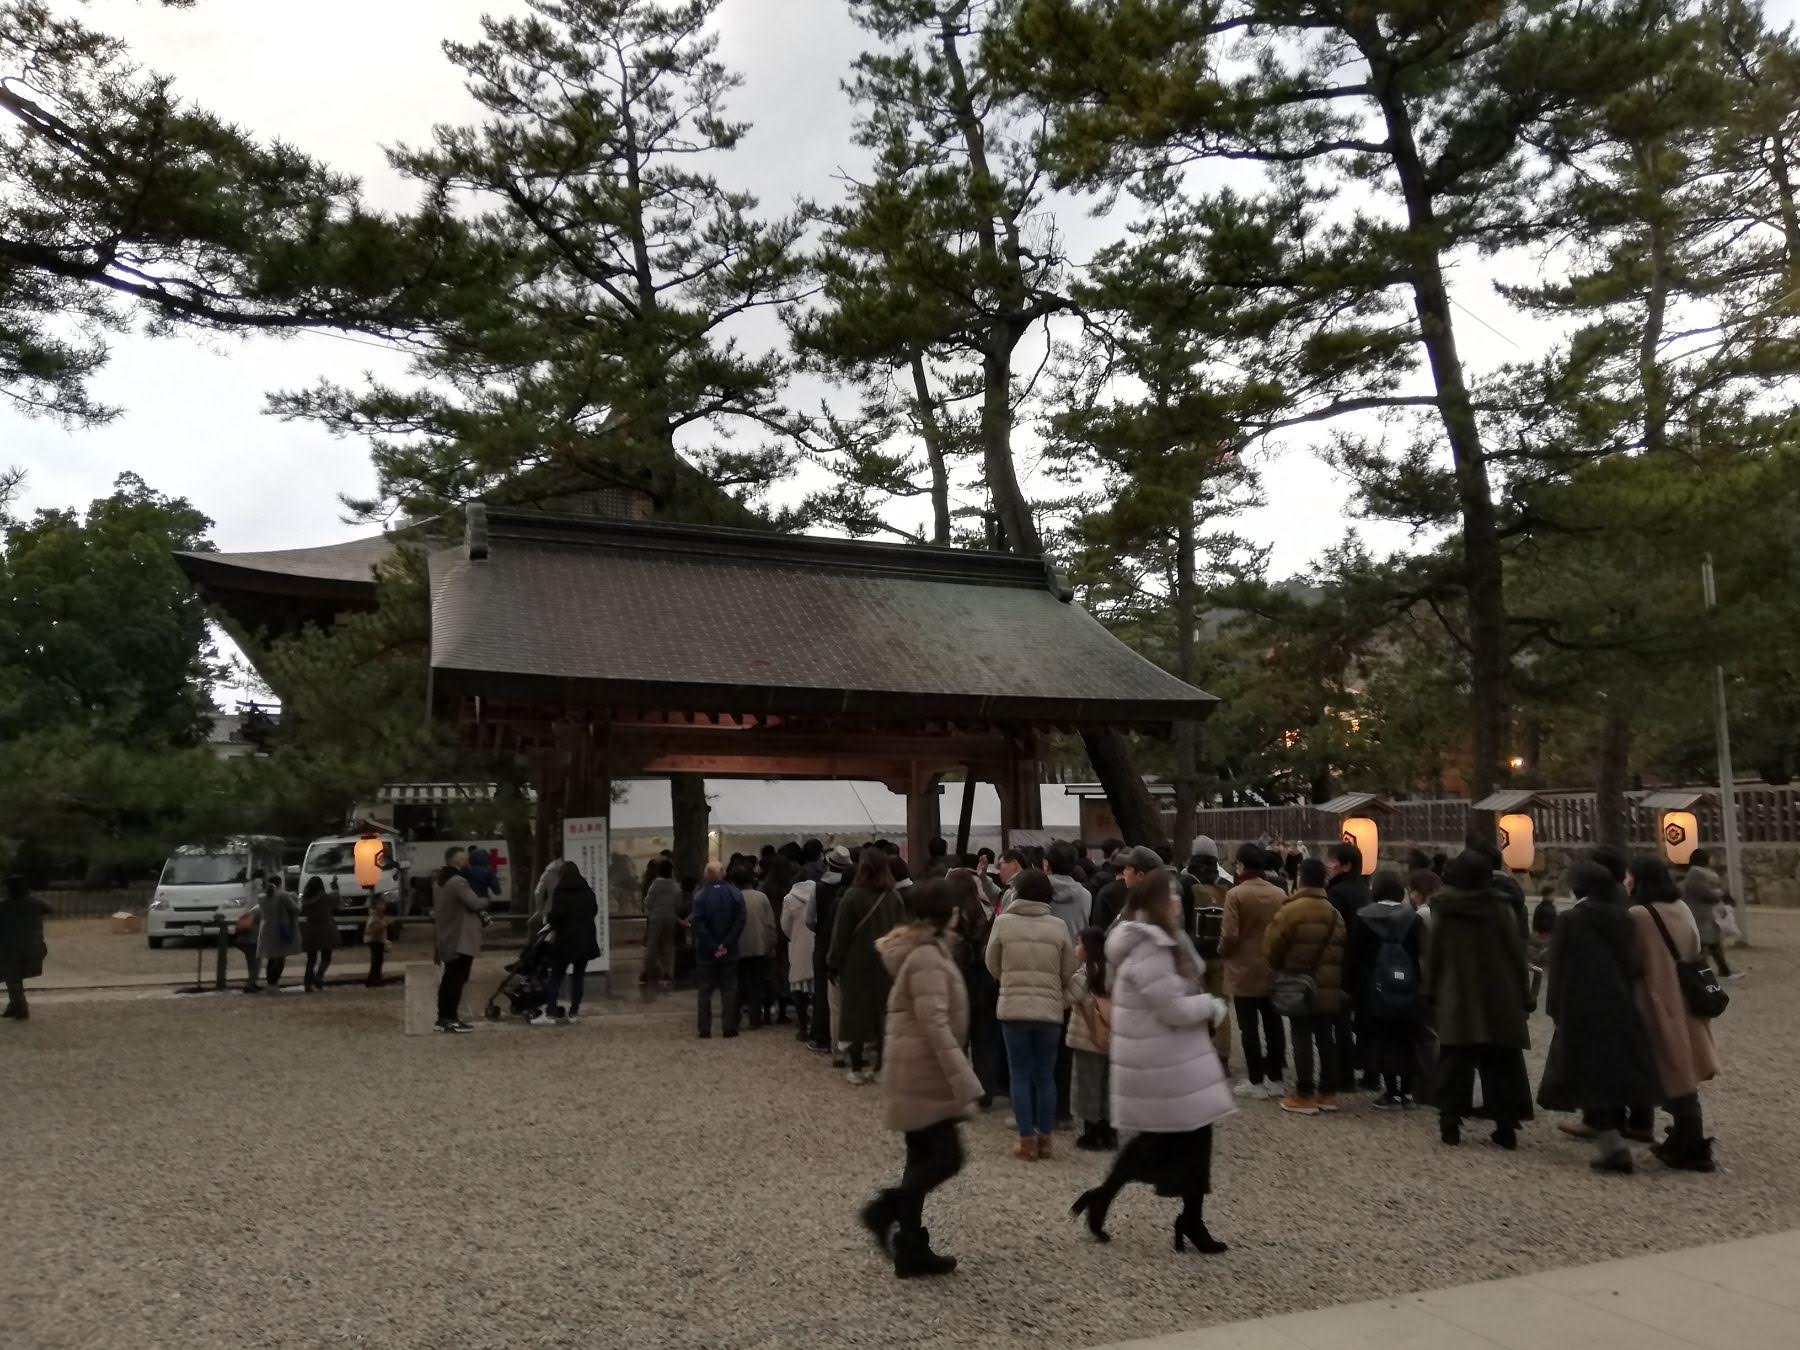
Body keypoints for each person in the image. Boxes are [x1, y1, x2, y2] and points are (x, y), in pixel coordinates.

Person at [1071, 869, 1234, 1255]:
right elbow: (1172, 1007)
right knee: (1166, 1141)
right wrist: (1211, 1006)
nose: (1178, 901)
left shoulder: (1161, 940)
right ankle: (1113, 1200)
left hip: (1170, 1058)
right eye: (1171, 895)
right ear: (1155, 903)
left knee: (1185, 1139)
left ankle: (1181, 1217)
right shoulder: (1150, 947)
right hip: (1164, 1061)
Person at [857, 879, 983, 1279]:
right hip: (926, 1072)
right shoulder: (927, 956)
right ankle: (884, 1211)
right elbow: (935, 1023)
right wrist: (963, 1076)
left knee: (920, 1160)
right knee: (947, 1158)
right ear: (944, 914)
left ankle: (910, 1246)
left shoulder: (927, 949)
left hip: (915, 1068)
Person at [1536, 861, 1661, 1173]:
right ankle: (1623, 1131)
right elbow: (1631, 962)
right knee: (1614, 1068)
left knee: (1588, 1072)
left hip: (1580, 1003)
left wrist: (1554, 1008)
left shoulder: (1571, 919)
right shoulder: (1622, 916)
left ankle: (1612, 1146)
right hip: (1619, 1000)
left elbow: (1558, 967)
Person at [1428, 849, 1533, 1148]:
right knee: (1501, 1061)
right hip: (1499, 990)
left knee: (1454, 1060)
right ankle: (1505, 1125)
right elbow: (1516, 953)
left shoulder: (1444, 908)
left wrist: (1430, 991)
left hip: (1457, 990)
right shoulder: (1500, 907)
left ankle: (1450, 1123)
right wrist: (1524, 994)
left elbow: (1434, 954)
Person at [1628, 854, 1722, 1171]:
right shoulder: (1681, 908)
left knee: (1672, 1070)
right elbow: (1695, 946)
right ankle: (1683, 1139)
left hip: (1656, 999)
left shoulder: (1639, 915)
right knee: (1682, 1067)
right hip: (1686, 997)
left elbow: (1633, 960)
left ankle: (1692, 1146)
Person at [985, 868, 1076, 1159]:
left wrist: (1007, 978)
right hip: (1049, 1009)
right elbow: (1069, 970)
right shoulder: (1059, 926)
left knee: (1020, 1074)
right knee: (1045, 1074)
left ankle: (1026, 1139)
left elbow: (991, 962)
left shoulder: (1003, 923)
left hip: (1014, 1007)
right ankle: (1045, 1138)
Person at [1264, 858, 1347, 1116]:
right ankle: (1328, 1093)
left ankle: (1305, 1094)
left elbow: (1271, 946)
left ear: (1300, 879)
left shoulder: (1291, 910)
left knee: (1301, 1036)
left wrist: (1282, 967)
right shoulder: (1334, 913)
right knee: (1326, 1037)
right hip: (1328, 983)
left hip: (1298, 981)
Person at [1345, 870, 1425, 1109]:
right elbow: (1419, 953)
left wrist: (1350, 988)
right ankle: (1407, 1092)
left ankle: (1391, 1092)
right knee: (1407, 1038)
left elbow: (1354, 956)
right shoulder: (1412, 918)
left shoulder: (1364, 917)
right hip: (1407, 984)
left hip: (1373, 987)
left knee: (1382, 1039)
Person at [830, 847, 907, 1083]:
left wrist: (833, 962)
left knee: (854, 1014)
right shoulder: (894, 897)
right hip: (887, 962)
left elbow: (840, 935)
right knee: (883, 1013)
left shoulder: (852, 896)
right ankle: (881, 1066)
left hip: (856, 963)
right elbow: (902, 932)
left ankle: (856, 1067)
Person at [1220, 842, 1287, 1099]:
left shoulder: (1235, 894)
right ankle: (1276, 1078)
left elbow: (1229, 934)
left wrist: (1223, 951)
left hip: (1243, 968)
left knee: (1248, 1027)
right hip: (1272, 966)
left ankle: (1256, 1079)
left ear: (1241, 866)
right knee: (1274, 1024)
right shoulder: (1279, 893)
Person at [947, 868, 1002, 1106]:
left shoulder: (950, 916)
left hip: (958, 980)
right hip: (985, 980)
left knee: (957, 1038)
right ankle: (985, 1092)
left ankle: (958, 1090)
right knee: (984, 1040)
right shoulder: (987, 910)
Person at [1323, 843, 1370, 1090]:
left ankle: (1345, 1073)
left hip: (1342, 962)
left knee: (1340, 1021)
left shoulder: (1336, 894)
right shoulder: (1365, 890)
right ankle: (1371, 1072)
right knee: (1364, 1020)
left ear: (1346, 865)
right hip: (1366, 962)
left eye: (1333, 861)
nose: (1329, 865)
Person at [536, 860, 600, 1025]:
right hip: (585, 940)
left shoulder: (561, 891)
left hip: (565, 941)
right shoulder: (587, 891)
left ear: (562, 874)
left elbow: (556, 916)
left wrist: (549, 919)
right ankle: (573, 1013)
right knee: (578, 977)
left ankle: (550, 1013)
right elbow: (594, 910)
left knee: (556, 977)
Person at [1068, 926, 1114, 1150]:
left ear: (1088, 948)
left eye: (1078, 943)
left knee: (1088, 1085)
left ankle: (1091, 1134)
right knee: (1108, 1085)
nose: (1075, 948)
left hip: (1087, 1038)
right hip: (1111, 1038)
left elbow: (1067, 998)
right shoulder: (1113, 972)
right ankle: (1110, 1133)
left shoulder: (1083, 975)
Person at [807, 844, 855, 1058]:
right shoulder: (853, 890)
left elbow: (809, 919)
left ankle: (821, 1037)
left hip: (823, 943)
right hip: (848, 946)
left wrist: (820, 929)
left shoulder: (818, 888)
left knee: (821, 991)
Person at [691, 861, 746, 1040]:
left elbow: (698, 924)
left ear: (707, 875)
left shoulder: (700, 896)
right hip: (730, 951)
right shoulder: (735, 894)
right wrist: (726, 944)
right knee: (729, 989)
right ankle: (729, 1027)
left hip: (706, 952)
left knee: (705, 991)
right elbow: (740, 921)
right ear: (723, 874)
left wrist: (713, 945)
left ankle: (704, 1028)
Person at [432, 848, 484, 1032]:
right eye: (464, 856)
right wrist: (486, 900)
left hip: (447, 935)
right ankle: (450, 1018)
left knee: (449, 978)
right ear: (456, 860)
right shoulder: (458, 881)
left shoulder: (440, 882)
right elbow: (474, 903)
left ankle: (443, 1017)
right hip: (460, 937)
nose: (467, 859)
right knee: (457, 979)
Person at [734, 862, 779, 1030]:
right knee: (756, 984)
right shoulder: (761, 897)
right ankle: (755, 1018)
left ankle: (734, 1017)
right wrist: (772, 944)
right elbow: (770, 924)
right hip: (759, 946)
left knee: (737, 983)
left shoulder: (733, 897)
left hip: (737, 946)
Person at [0, 875, 49, 1020]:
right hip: (33, 945)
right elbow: (49, 909)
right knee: (14, 977)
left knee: (12, 977)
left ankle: (21, 1008)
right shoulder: (35, 903)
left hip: (12, 947)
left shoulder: (5, 905)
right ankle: (14, 1006)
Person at [1681, 850, 1735, 980]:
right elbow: (1706, 893)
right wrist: (1720, 893)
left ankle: (1723, 970)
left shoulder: (1699, 873)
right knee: (1705, 944)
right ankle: (1703, 973)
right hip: (1700, 914)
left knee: (1712, 943)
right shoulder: (1696, 874)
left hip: (1704, 914)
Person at [781, 872, 817, 1040]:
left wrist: (794, 937)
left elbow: (785, 926)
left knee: (799, 986)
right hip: (817, 943)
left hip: (798, 946)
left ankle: (803, 1027)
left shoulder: (789, 898)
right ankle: (818, 1026)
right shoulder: (818, 894)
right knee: (818, 988)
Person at [1093, 845, 1161, 932]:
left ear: (1140, 875)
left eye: (1128, 869)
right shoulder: (1135, 902)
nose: (1124, 872)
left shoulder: (1147, 909)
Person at [640, 859, 684, 991]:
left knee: (652, 946)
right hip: (670, 919)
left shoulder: (655, 885)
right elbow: (678, 903)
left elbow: (648, 902)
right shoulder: (675, 886)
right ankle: (667, 974)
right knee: (667, 946)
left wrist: (652, 910)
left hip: (656, 919)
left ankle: (646, 974)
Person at [255, 873, 302, 994]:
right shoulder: (283, 895)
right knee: (280, 957)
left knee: (271, 957)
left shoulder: (262, 897)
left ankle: (269, 983)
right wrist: (296, 899)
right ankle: (274, 983)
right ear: (281, 883)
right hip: (281, 928)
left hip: (266, 928)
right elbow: (296, 909)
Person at [1044, 841, 1092, 938]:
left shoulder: (1039, 892)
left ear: (1047, 864)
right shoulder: (1086, 895)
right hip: (1076, 946)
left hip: (1048, 946)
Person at [299, 877, 338, 992]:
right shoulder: (324, 897)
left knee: (311, 959)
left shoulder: (306, 899)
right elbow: (335, 898)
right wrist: (335, 886)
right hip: (326, 929)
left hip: (311, 929)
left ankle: (307, 983)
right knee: (326, 956)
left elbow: (302, 910)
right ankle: (319, 977)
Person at [364, 896, 393, 987]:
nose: (382, 906)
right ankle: (375, 980)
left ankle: (373, 979)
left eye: (383, 904)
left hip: (379, 940)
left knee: (378, 961)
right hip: (374, 940)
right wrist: (384, 924)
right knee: (377, 961)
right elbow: (370, 930)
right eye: (380, 905)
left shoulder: (380, 916)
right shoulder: (374, 917)